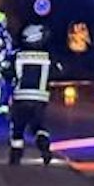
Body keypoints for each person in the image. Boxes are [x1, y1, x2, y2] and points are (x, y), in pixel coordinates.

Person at [8, 23, 57, 165]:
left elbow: (8, 71)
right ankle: (44, 147)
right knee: (38, 126)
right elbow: (58, 72)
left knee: (18, 128)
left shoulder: (18, 55)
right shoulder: (48, 57)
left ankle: (15, 157)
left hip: (21, 97)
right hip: (40, 99)